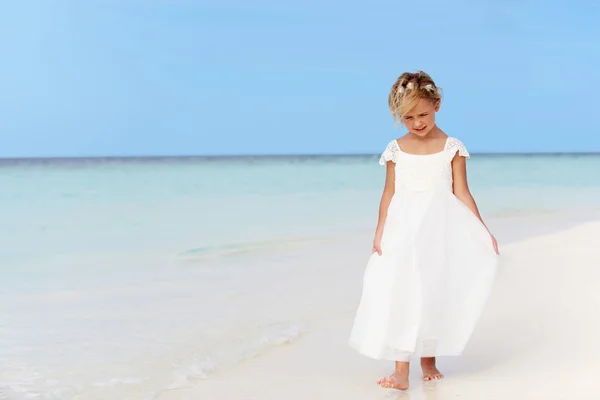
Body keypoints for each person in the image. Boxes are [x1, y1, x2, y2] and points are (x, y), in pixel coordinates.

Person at [348, 70, 500, 390]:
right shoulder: (396, 149)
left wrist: (482, 230)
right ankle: (400, 370)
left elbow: (462, 191)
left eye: (423, 114)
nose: (417, 123)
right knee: (400, 290)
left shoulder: (451, 147)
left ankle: (429, 360)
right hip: (402, 229)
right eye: (408, 117)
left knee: (432, 288)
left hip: (438, 229)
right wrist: (380, 230)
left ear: (437, 105)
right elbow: (389, 192)